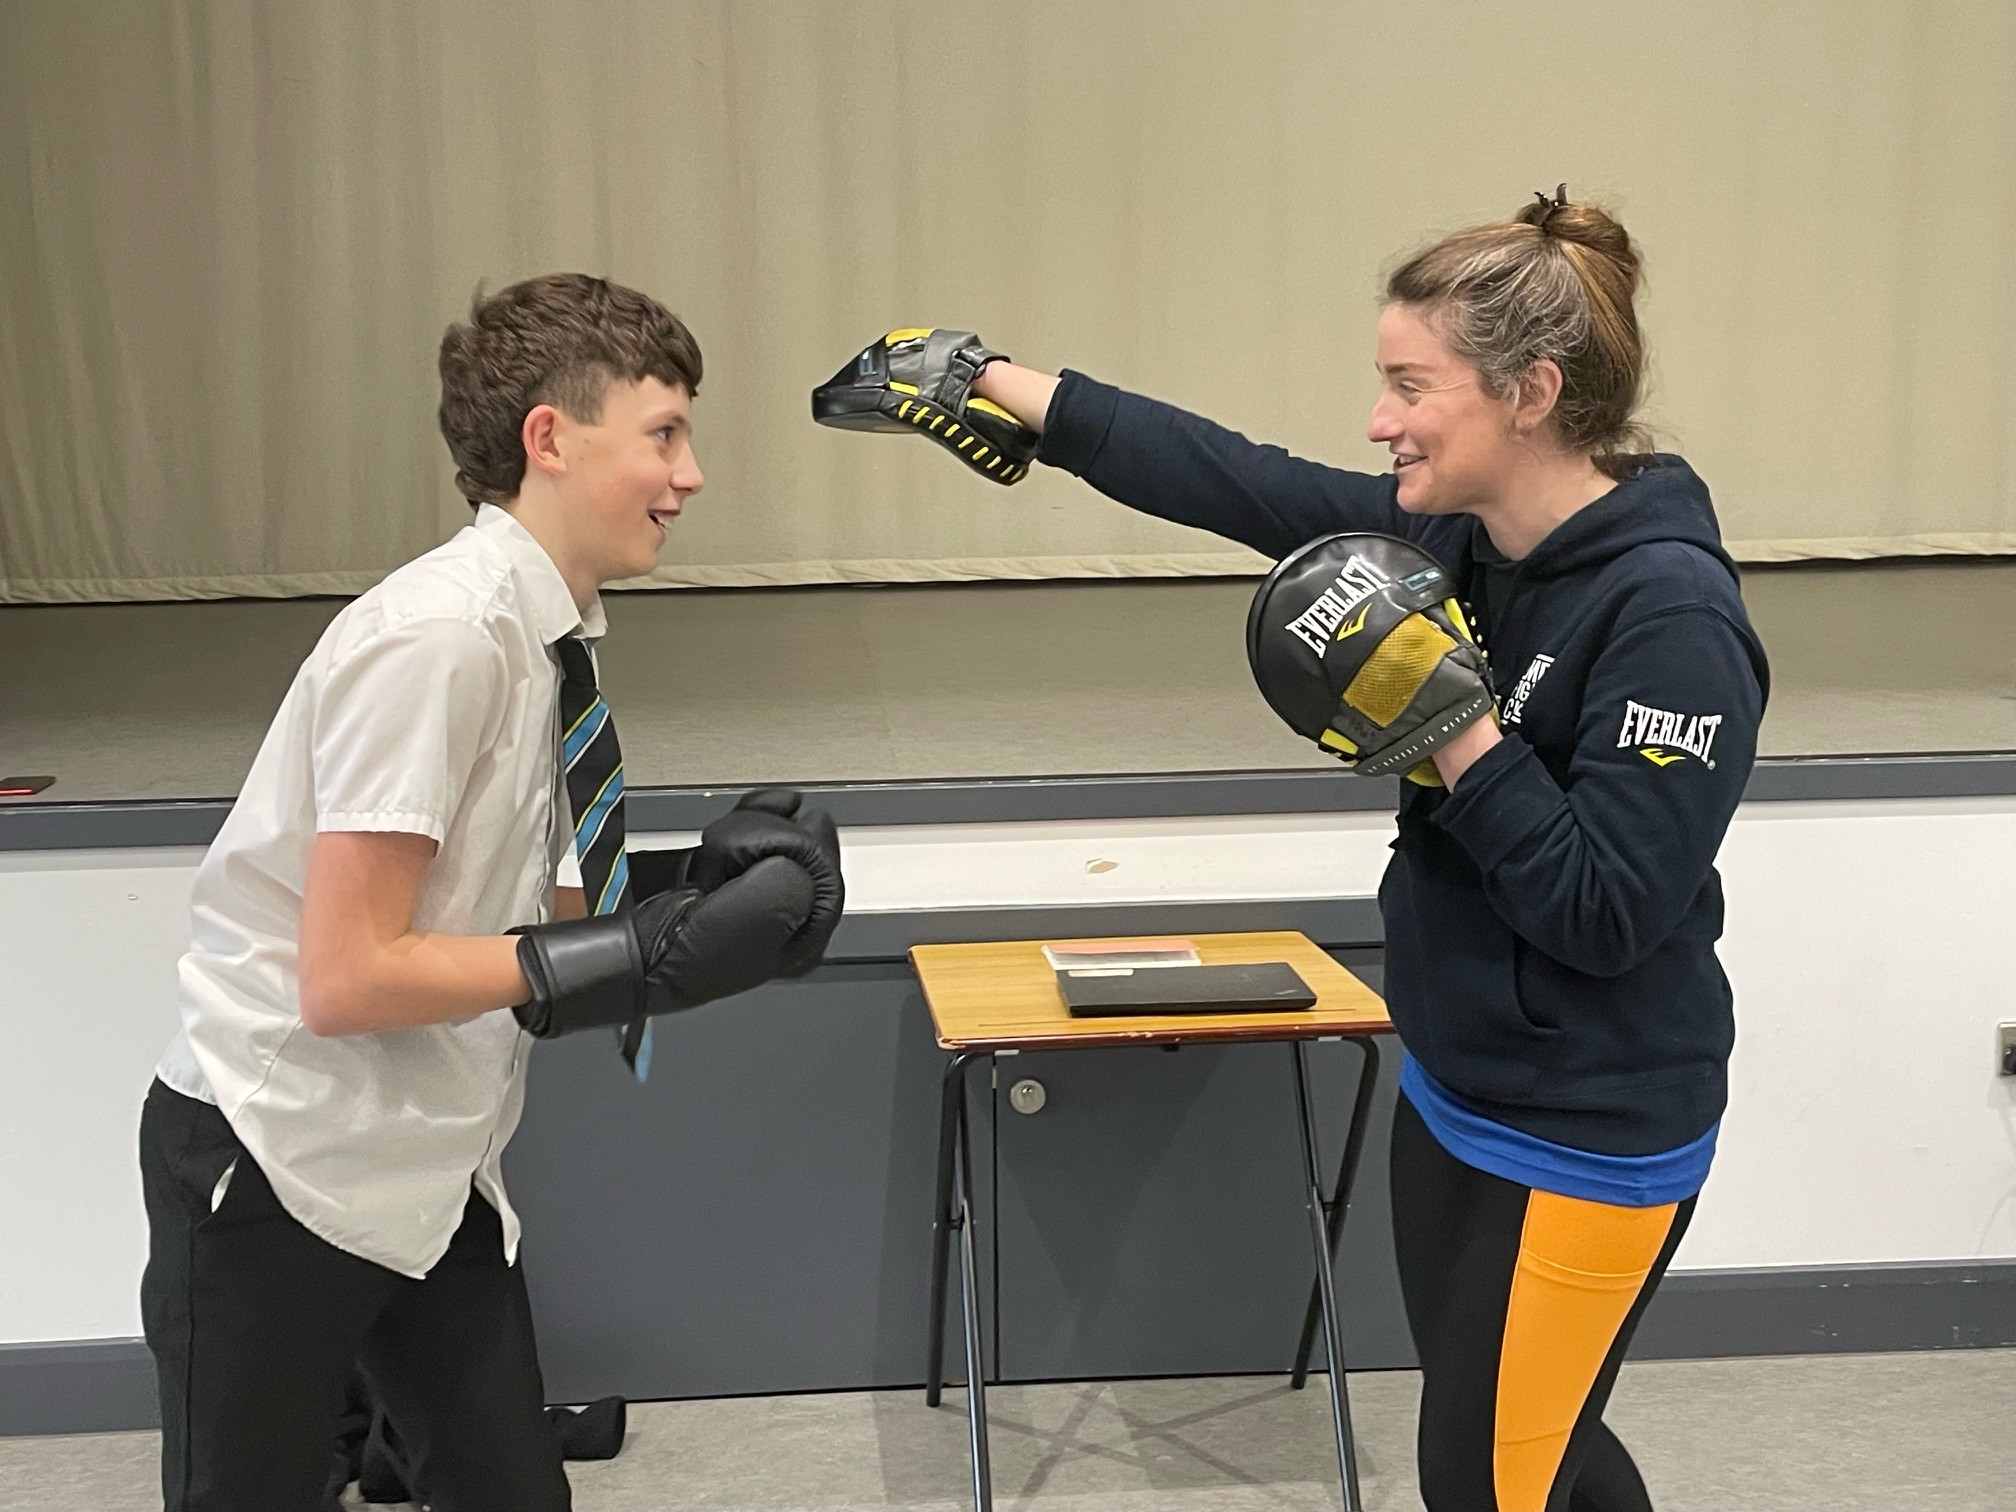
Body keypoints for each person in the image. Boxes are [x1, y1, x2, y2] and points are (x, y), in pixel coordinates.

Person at [816, 191, 1768, 1512]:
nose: (1379, 421)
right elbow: (1239, 479)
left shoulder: (1669, 613)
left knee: (1488, 1479)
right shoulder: (1463, 541)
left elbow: (1605, 911)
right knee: (1534, 1448)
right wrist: (1003, 385)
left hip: (1589, 1134)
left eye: (1408, 386)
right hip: (1458, 1087)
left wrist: (1454, 729)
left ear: (1531, 392)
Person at [140, 272, 843, 1512]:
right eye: (665, 433)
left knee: (509, 1493)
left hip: (426, 1159)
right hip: (278, 1154)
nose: (691, 475)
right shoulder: (441, 638)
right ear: (551, 439)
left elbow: (484, 910)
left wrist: (685, 898)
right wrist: (632, 959)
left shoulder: (540, 634)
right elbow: (348, 975)